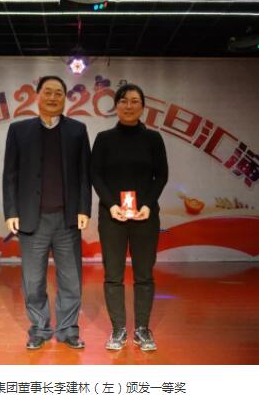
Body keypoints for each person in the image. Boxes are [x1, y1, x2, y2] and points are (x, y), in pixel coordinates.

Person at [2, 75, 91, 350]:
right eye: (48, 92)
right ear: (37, 96)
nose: (53, 97)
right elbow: (10, 174)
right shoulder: (19, 130)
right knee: (33, 280)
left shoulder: (77, 130)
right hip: (32, 219)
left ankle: (68, 330)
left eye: (59, 93)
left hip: (67, 220)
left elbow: (84, 174)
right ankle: (39, 329)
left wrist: (84, 208)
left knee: (71, 279)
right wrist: (11, 211)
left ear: (65, 98)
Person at [91, 83, 168, 351]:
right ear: (116, 106)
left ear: (142, 106)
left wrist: (147, 204)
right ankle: (119, 330)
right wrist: (111, 205)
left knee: (144, 274)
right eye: (123, 101)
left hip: (145, 216)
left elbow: (162, 176)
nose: (128, 106)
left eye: (134, 101)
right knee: (113, 275)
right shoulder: (104, 139)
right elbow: (95, 175)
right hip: (112, 216)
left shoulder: (153, 139)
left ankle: (142, 330)